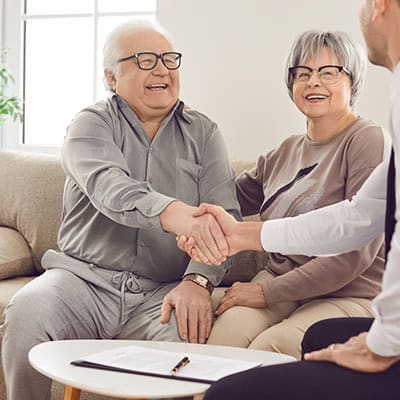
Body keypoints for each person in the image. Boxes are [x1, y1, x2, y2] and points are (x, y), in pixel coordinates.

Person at [0, 20, 240, 400]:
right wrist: (173, 212)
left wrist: (198, 280)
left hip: (161, 293)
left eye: (169, 59)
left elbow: (226, 216)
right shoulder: (89, 125)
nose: (162, 69)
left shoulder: (205, 133)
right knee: (27, 311)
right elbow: (109, 188)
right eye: (145, 60)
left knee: (191, 344)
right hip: (81, 283)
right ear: (111, 77)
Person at [192, 0, 400, 398]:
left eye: (327, 72)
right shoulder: (283, 151)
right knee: (221, 347)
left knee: (274, 348)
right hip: (280, 282)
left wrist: (268, 291)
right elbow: (223, 199)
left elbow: (356, 244)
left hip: (347, 291)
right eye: (302, 73)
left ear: (352, 81)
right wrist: (186, 207)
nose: (313, 82)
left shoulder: (367, 140)